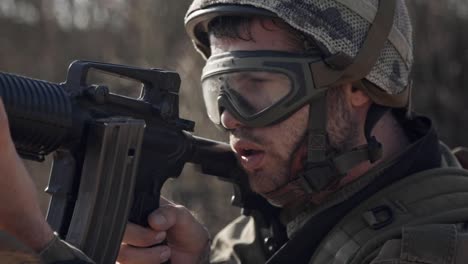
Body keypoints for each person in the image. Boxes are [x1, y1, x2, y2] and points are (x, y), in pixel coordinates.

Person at [1, 0, 468, 263]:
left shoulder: (432, 248)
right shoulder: (279, 221)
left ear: (355, 87)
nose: (229, 117)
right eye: (220, 90)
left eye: (257, 85)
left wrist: (35, 240)